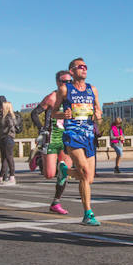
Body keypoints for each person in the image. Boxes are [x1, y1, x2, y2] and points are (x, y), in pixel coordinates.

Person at [52, 58, 103, 226]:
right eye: (80, 67)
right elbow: (53, 113)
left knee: (89, 178)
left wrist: (98, 115)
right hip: (72, 134)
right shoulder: (65, 89)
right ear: (72, 72)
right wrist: (63, 115)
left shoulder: (92, 89)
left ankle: (65, 172)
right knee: (85, 172)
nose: (84, 69)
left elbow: (98, 111)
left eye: (86, 66)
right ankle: (88, 213)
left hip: (89, 135)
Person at [30, 70, 75, 215]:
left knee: (64, 171)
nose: (67, 84)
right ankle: (38, 158)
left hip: (66, 137)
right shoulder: (51, 97)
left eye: (70, 82)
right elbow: (34, 113)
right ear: (57, 82)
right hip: (51, 137)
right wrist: (41, 129)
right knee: (49, 174)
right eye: (64, 81)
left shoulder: (73, 98)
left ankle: (56, 201)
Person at [0, 101, 17, 185]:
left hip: (7, 138)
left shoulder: (8, 116)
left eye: (2, 106)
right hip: (3, 138)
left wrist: (6, 131)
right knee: (4, 158)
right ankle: (1, 177)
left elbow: (11, 125)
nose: (1, 107)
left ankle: (12, 177)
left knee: (9, 157)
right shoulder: (3, 115)